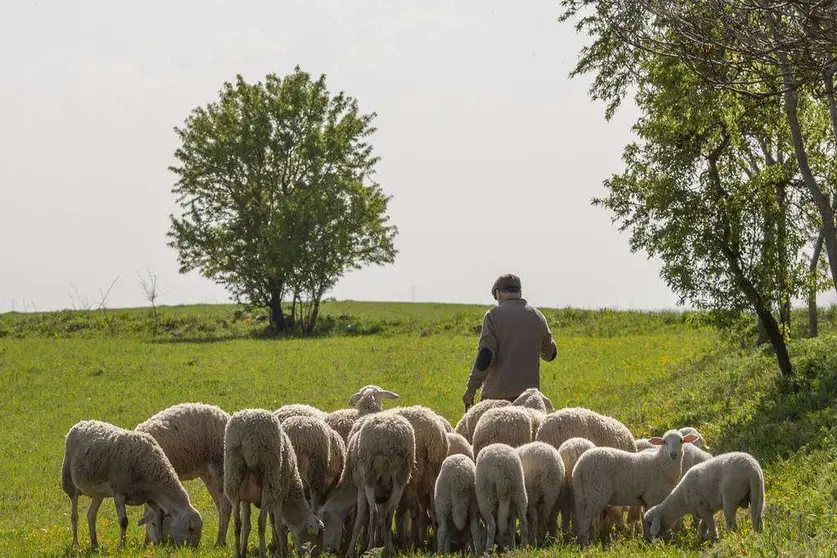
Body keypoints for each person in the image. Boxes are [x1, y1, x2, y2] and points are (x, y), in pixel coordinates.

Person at [462, 273, 557, 410]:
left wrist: (471, 389)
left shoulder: (492, 317)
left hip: (495, 400)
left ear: (498, 293)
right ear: (519, 292)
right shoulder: (537, 316)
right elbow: (550, 354)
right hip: (529, 401)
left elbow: (486, 356)